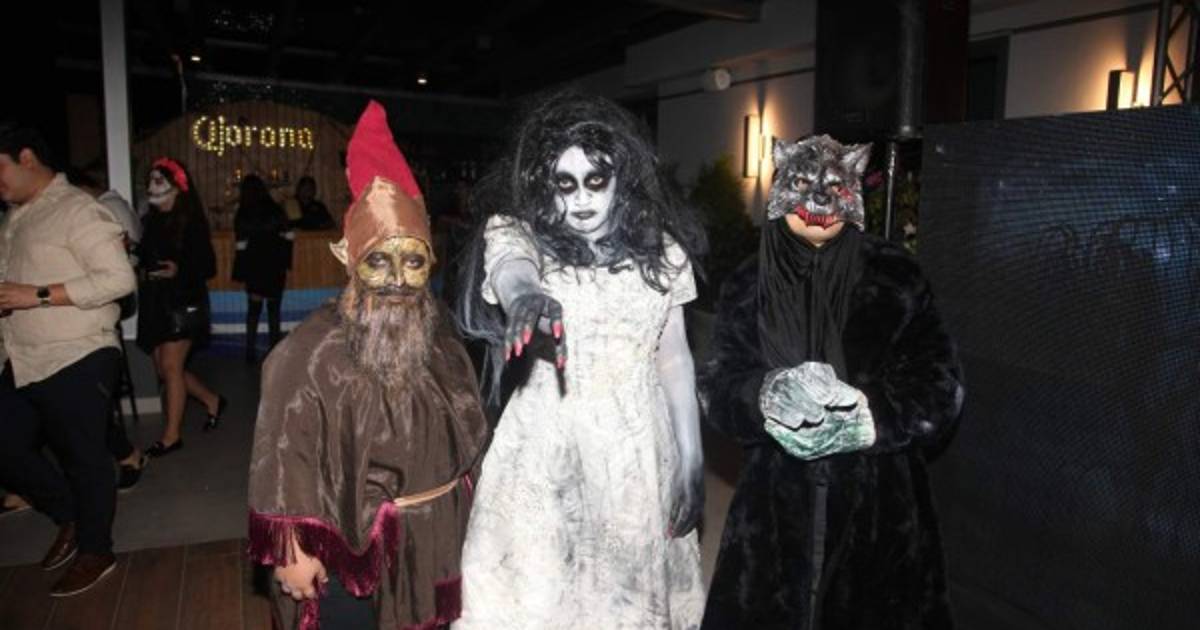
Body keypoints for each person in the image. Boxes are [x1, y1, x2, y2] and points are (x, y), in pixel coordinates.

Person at [453, 90, 708, 629]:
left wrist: (691, 459)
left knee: (622, 601)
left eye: (596, 179)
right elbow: (512, 267)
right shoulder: (518, 233)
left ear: (622, 177)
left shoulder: (662, 253)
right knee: (539, 593)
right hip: (547, 444)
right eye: (564, 183)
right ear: (543, 183)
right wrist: (525, 295)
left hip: (634, 447)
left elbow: (674, 360)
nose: (582, 198)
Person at [699, 135, 965, 629]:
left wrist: (869, 418)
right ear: (782, 186)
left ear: (854, 189)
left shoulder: (897, 278)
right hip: (771, 509)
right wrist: (764, 396)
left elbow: (940, 384)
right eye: (803, 184)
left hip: (881, 509)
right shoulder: (748, 282)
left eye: (834, 186)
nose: (819, 201)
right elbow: (718, 384)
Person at [247, 101, 490, 630]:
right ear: (350, 259)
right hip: (353, 552)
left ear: (431, 262)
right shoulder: (311, 351)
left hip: (437, 544)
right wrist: (291, 546)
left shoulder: (444, 340)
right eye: (379, 260)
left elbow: (471, 439)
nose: (398, 279)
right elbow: (283, 452)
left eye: (413, 261)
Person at [0, 121, 137, 596]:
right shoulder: (14, 218)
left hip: (79, 350)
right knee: (7, 447)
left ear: (27, 158)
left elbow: (118, 279)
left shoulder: (77, 209)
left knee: (84, 457)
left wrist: (37, 294)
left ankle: (96, 549)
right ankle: (70, 515)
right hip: (21, 357)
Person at [135, 157, 226, 457]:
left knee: (172, 367)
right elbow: (147, 256)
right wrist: (131, 249)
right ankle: (212, 400)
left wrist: (179, 269)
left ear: (176, 186)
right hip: (157, 302)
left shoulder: (191, 221)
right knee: (165, 369)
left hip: (183, 301)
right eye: (151, 180)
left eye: (159, 180)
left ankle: (172, 436)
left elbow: (208, 266)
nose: (152, 186)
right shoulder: (151, 220)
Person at [232, 174, 292, 362]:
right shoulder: (276, 209)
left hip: (254, 267)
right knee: (274, 311)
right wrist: (286, 261)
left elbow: (240, 245)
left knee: (253, 311)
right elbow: (289, 235)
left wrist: (239, 272)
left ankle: (250, 352)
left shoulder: (243, 212)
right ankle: (275, 352)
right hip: (275, 265)